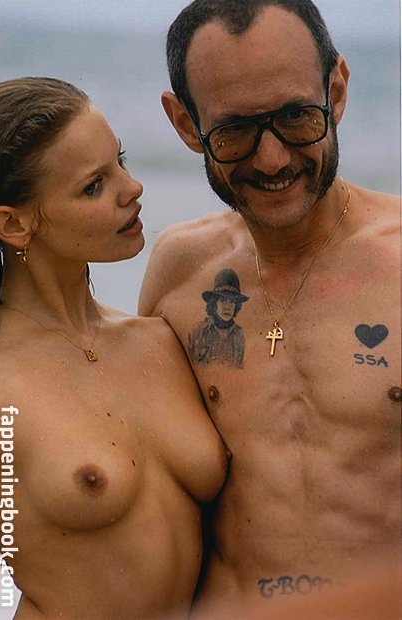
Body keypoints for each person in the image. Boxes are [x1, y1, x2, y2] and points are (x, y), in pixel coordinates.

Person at [139, 0, 401, 614]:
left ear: (337, 91)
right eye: (234, 131)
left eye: (296, 117)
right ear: (186, 124)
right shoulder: (180, 273)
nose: (272, 158)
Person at [0, 77, 228, 620]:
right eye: (94, 185)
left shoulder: (160, 341)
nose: (132, 188)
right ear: (14, 224)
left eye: (120, 161)